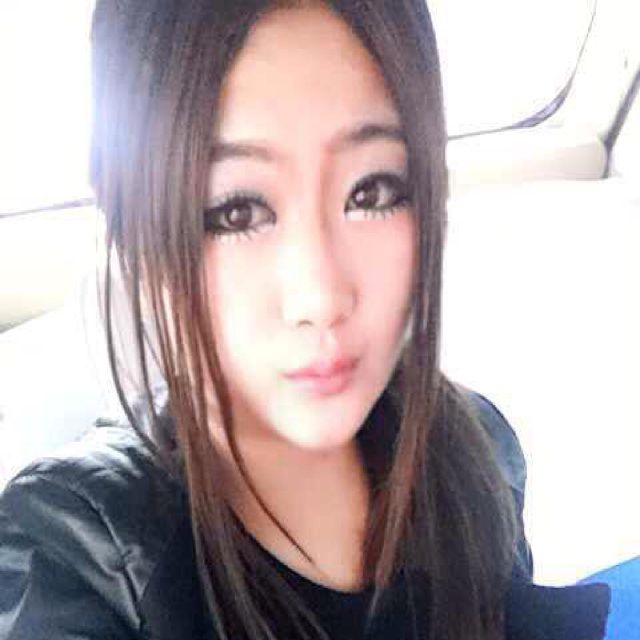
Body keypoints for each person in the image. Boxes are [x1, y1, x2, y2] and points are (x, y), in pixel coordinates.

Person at [0, 1, 610, 639]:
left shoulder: (475, 450)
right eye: (237, 211)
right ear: (130, 221)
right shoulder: (74, 558)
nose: (321, 296)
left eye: (372, 192)